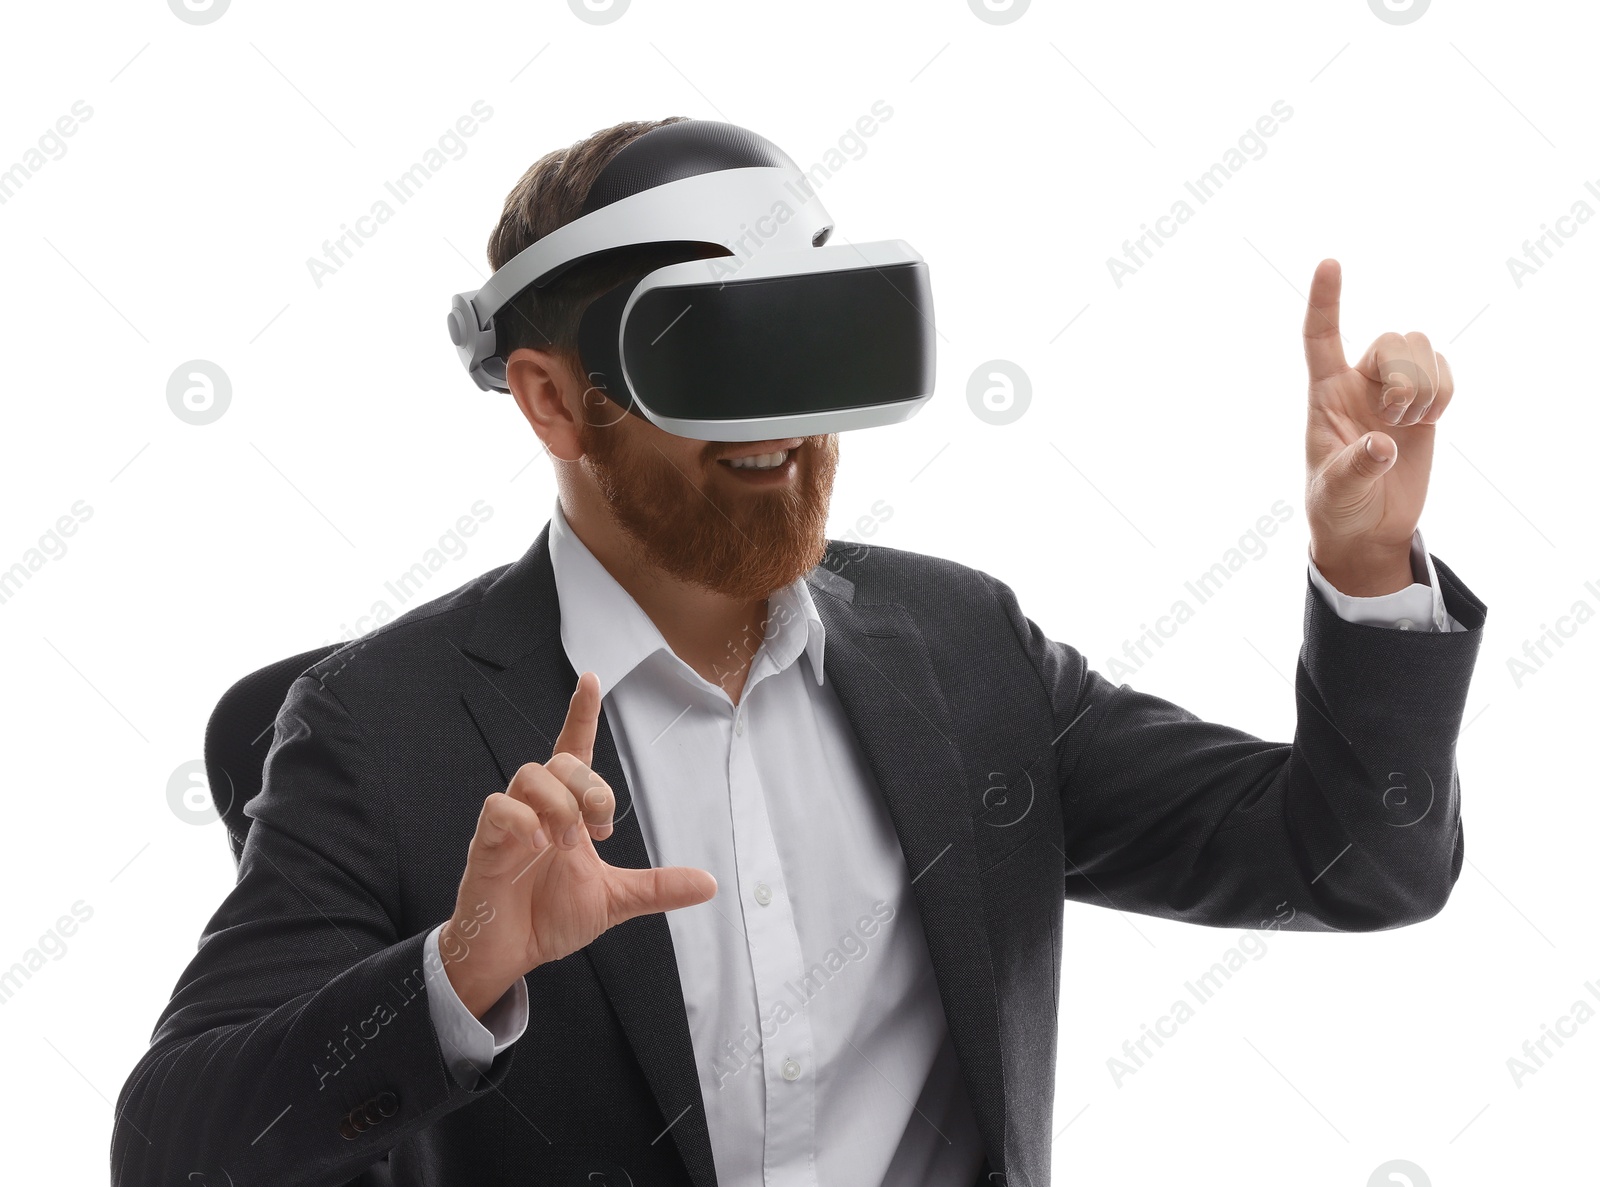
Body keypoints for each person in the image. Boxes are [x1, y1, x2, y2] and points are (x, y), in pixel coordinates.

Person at [112, 117, 1485, 1187]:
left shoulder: (967, 658)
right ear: (552, 402)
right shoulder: (379, 728)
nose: (787, 431)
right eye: (719, 361)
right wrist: (461, 971)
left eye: (815, 346)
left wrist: (1366, 564)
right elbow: (177, 1151)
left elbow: (1358, 866)